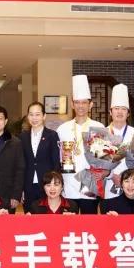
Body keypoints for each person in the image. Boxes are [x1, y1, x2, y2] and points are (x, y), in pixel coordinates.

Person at [56, 75, 105, 214]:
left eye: (84, 102)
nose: (80, 106)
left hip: (89, 184)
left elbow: (104, 159)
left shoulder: (99, 127)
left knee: (89, 222)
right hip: (68, 183)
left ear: (91, 105)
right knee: (69, 223)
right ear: (72, 105)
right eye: (77, 102)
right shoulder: (62, 128)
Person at [20, 101, 61, 213]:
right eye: (31, 114)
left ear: (44, 116)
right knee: (29, 217)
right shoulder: (22, 137)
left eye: (37, 114)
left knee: (46, 218)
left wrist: (54, 185)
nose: (34, 118)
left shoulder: (52, 135)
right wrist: (21, 189)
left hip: (47, 185)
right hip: (28, 185)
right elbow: (21, 164)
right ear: (28, 116)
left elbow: (56, 162)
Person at [104, 83, 134, 199]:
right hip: (108, 187)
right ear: (110, 112)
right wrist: (111, 175)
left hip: (132, 188)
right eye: (116, 109)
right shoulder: (102, 134)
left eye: (123, 109)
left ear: (128, 113)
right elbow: (98, 165)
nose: (119, 112)